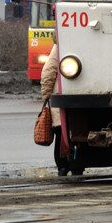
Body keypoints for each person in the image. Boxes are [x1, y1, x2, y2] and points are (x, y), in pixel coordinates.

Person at [39, 43, 76, 176]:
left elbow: (48, 71)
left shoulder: (61, 44)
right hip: (76, 101)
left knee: (61, 134)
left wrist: (47, 95)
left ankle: (63, 166)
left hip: (61, 99)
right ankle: (75, 165)